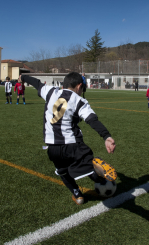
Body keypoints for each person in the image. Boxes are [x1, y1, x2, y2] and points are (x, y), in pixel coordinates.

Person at [18, 72, 117, 205]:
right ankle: (94, 170)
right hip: (72, 144)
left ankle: (78, 195)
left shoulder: (50, 91)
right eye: (82, 89)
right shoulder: (79, 100)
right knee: (85, 163)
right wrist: (106, 136)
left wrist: (23, 77)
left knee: (62, 172)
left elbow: (36, 83)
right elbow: (92, 120)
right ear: (79, 86)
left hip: (53, 147)